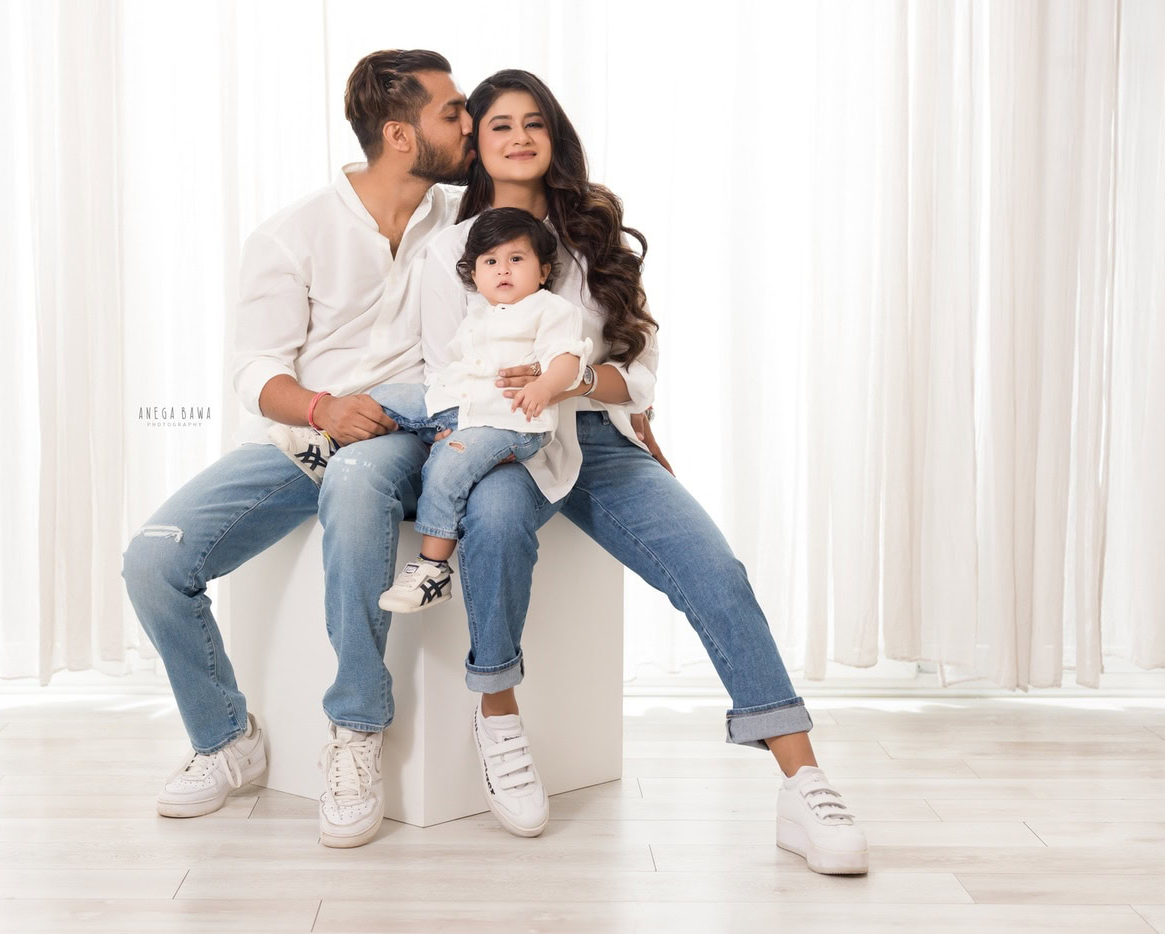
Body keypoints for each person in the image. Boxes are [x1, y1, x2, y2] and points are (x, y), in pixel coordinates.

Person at [420, 69, 869, 873]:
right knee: (492, 521)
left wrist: (577, 381)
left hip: (598, 441)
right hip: (500, 441)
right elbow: (442, 376)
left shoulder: (594, 238)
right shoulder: (446, 252)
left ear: (553, 135)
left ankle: (803, 786)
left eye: (534, 123)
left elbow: (641, 374)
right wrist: (483, 439)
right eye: (500, 126)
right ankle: (499, 713)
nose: (519, 137)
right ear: (477, 145)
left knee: (714, 570)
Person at [121, 49, 471, 850]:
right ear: (399, 134)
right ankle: (226, 740)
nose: (468, 121)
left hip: (409, 435)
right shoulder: (293, 233)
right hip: (306, 436)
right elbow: (254, 370)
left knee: (356, 483)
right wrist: (323, 408)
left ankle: (355, 732)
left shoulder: (466, 219)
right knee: (153, 561)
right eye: (451, 111)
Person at [270, 207, 588, 615]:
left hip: (510, 421)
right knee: (391, 394)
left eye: (516, 259)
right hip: (458, 405)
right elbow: (451, 371)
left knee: (447, 465)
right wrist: (432, 416)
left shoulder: (549, 310)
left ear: (543, 271)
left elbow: (567, 360)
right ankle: (327, 443)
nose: (503, 270)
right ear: (475, 276)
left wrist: (544, 385)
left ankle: (433, 567)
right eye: (490, 262)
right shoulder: (478, 316)